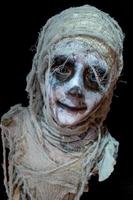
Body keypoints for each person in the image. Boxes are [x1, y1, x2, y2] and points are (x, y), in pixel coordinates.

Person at [0, 5, 124, 200]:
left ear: (108, 91)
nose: (75, 89)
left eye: (94, 77)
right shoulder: (13, 130)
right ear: (42, 71)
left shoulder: (103, 154)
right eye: (63, 69)